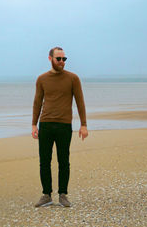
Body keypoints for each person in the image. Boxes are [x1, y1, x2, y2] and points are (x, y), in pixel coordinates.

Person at [32, 46, 88, 208]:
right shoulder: (42, 79)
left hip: (64, 125)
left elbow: (80, 102)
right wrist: (34, 124)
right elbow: (37, 102)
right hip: (46, 125)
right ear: (50, 59)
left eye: (64, 59)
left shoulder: (73, 78)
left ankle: (63, 194)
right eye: (59, 59)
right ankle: (46, 195)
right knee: (44, 161)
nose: (62, 62)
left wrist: (83, 124)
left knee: (64, 161)